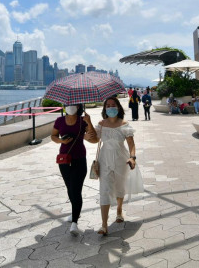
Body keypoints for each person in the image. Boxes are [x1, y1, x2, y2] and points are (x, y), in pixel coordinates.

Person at [93, 96, 138, 236]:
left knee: (119, 186)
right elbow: (94, 140)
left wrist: (132, 157)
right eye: (108, 105)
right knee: (104, 189)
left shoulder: (124, 124)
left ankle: (119, 210)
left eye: (113, 105)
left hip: (121, 159)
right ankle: (104, 225)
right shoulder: (100, 124)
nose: (110, 107)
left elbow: (131, 144)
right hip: (104, 159)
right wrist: (87, 122)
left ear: (118, 107)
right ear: (105, 108)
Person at [51, 104, 96, 236]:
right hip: (64, 160)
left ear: (78, 107)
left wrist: (89, 122)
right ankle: (74, 211)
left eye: (73, 105)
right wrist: (61, 141)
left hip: (79, 159)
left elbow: (93, 137)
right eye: (68, 105)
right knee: (70, 188)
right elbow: (53, 136)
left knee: (76, 190)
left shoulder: (83, 120)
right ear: (65, 107)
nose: (71, 107)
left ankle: (74, 222)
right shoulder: (59, 121)